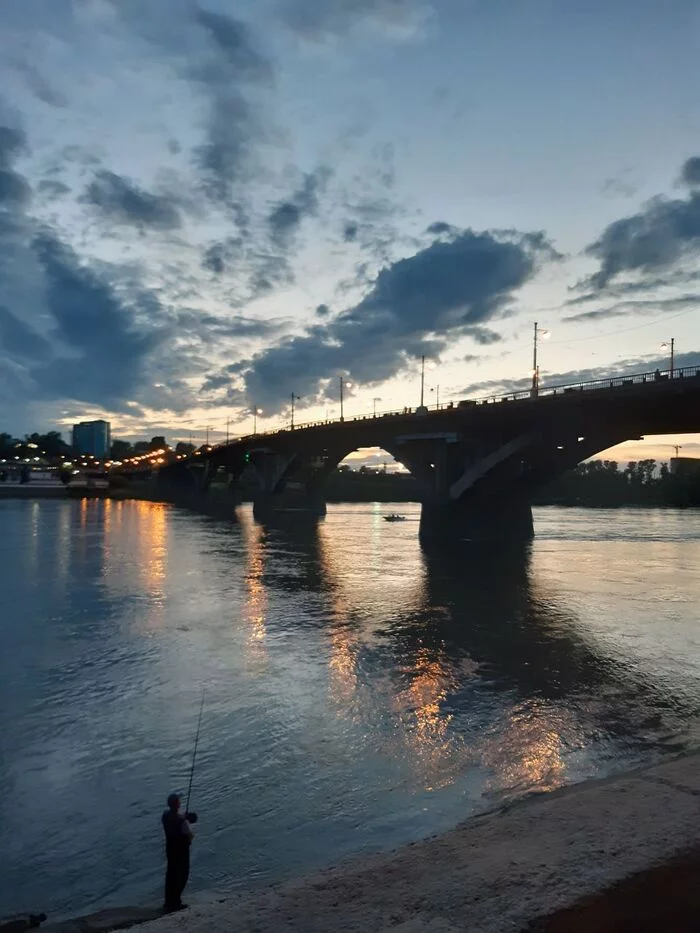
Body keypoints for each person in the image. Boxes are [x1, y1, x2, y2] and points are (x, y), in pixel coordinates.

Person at [162, 792, 198, 913]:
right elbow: (190, 836)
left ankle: (168, 902)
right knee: (182, 876)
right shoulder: (182, 821)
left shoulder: (165, 816)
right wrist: (186, 820)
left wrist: (184, 817)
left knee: (171, 876)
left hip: (171, 851)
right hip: (182, 853)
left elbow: (175, 817)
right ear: (177, 804)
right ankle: (176, 902)